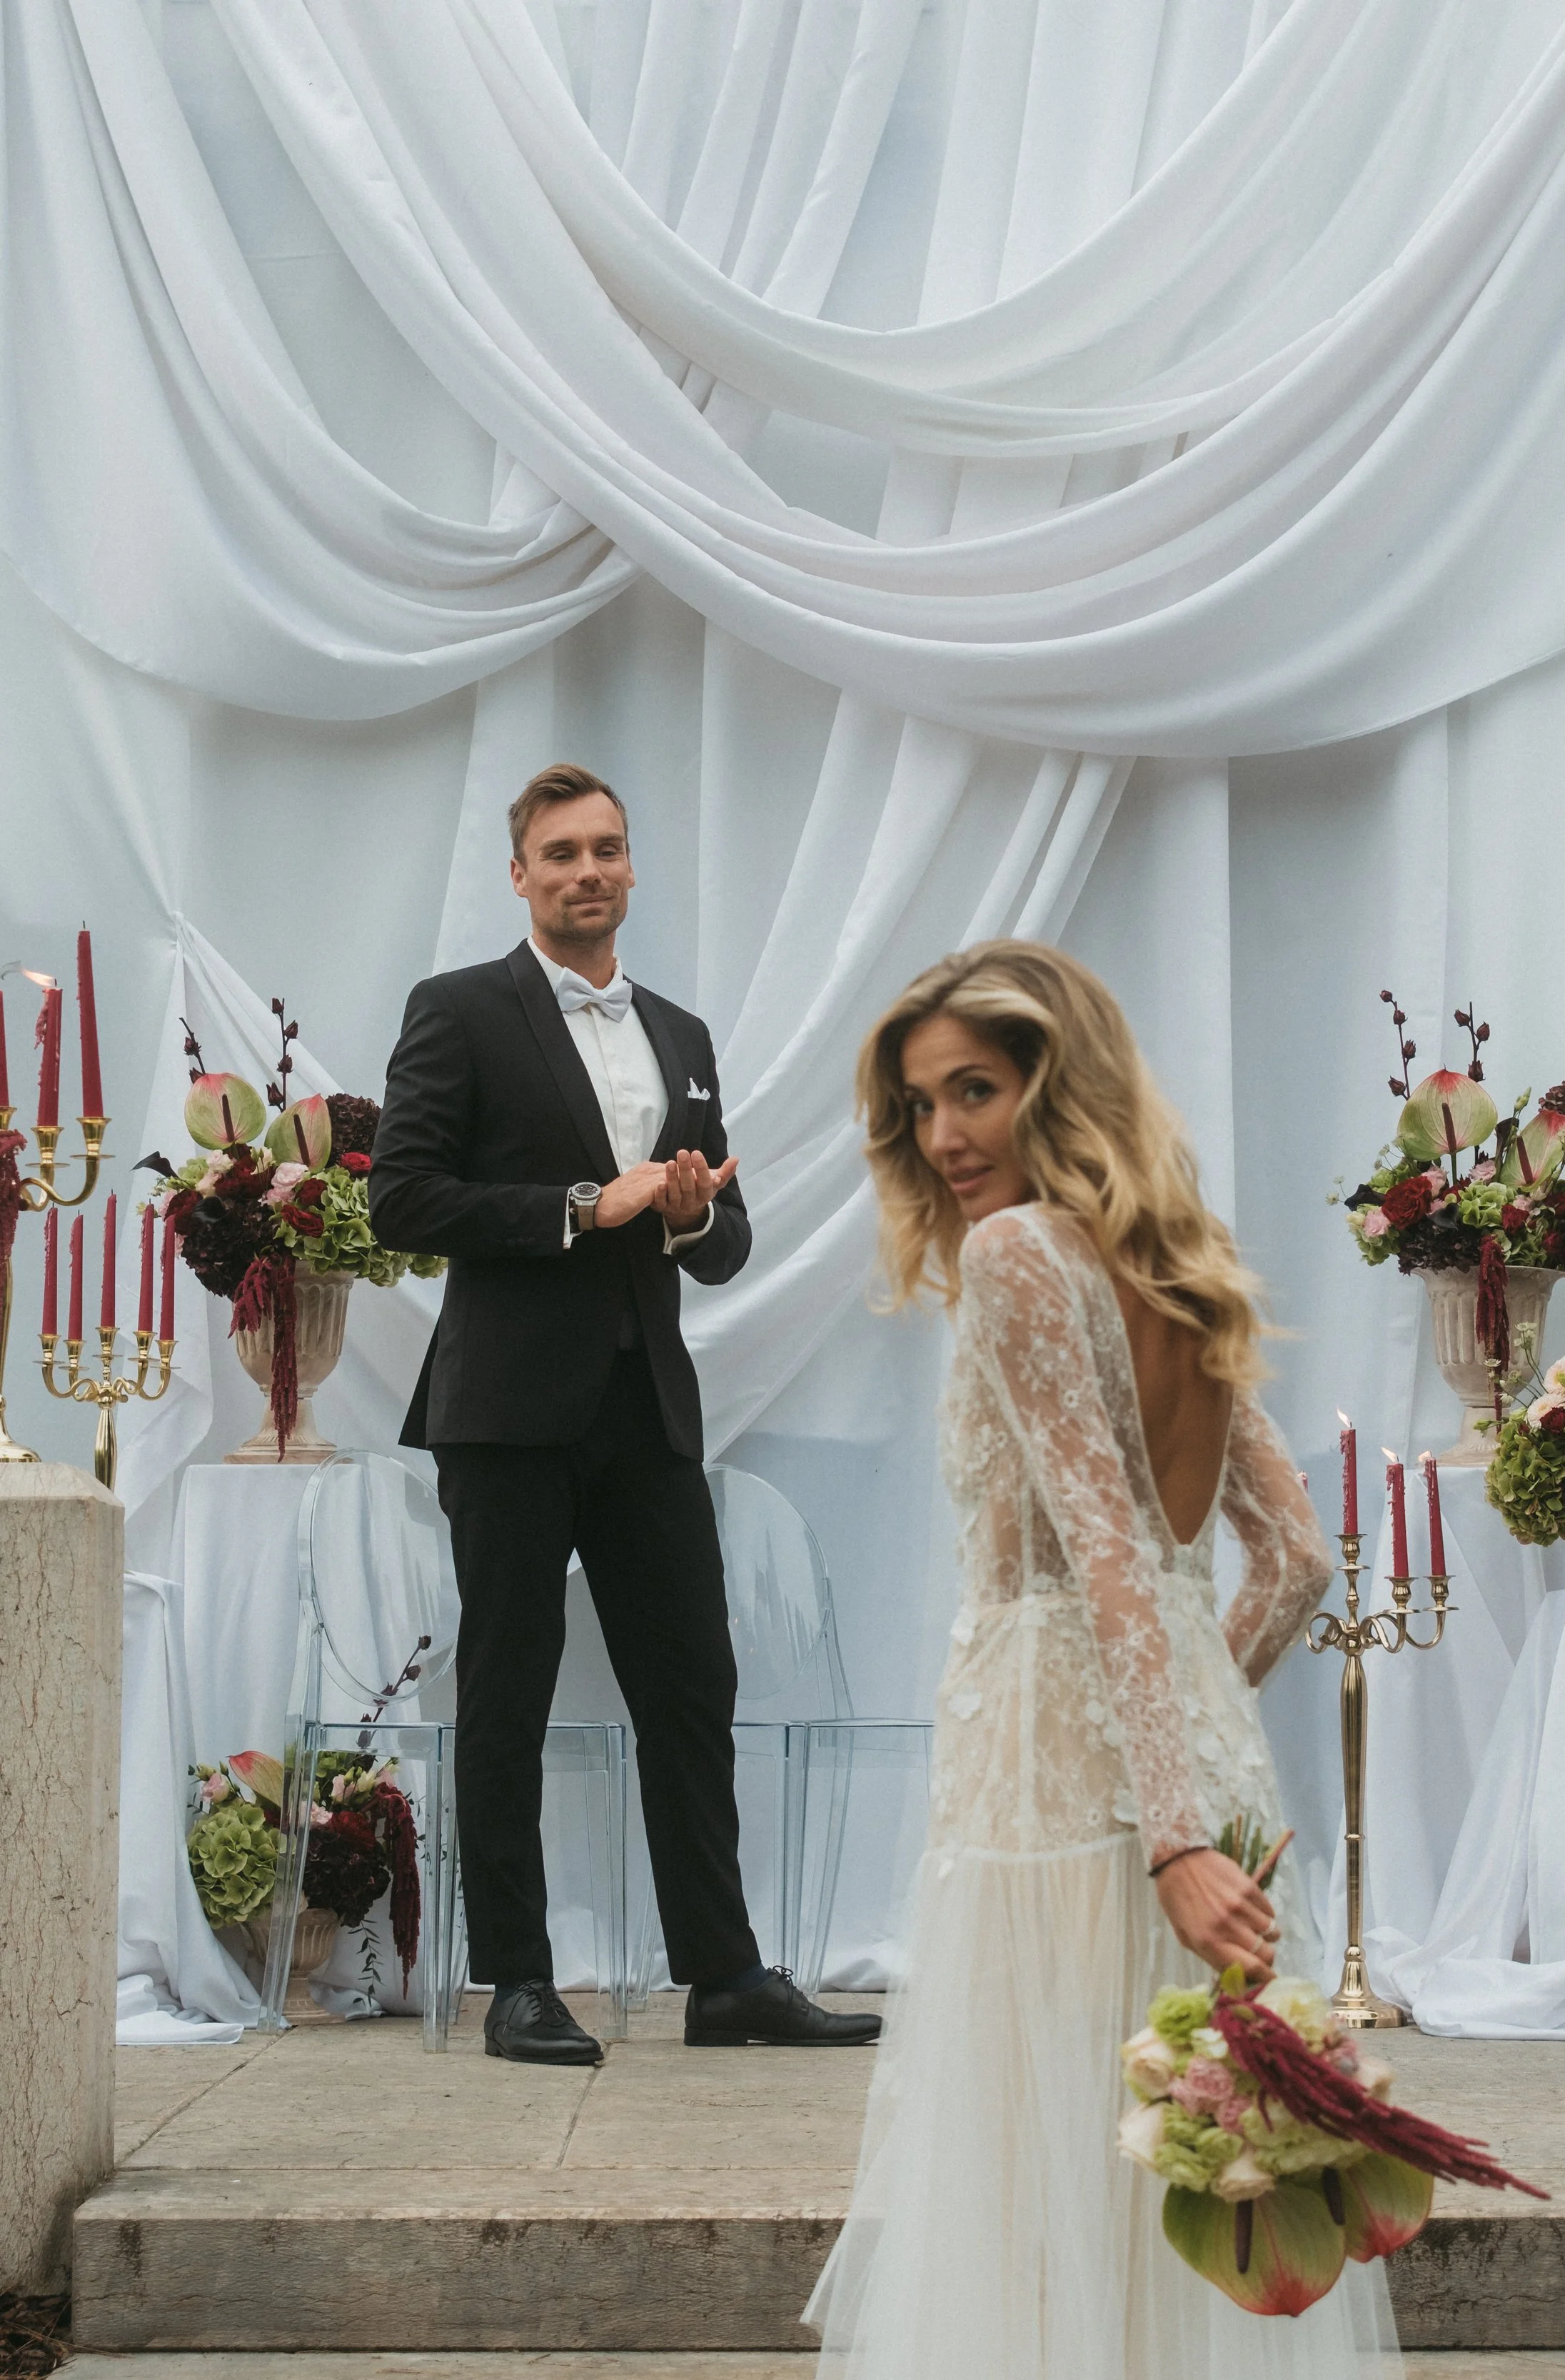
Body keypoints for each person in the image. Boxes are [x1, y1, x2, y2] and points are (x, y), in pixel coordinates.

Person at [805, 942, 1399, 2376]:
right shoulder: (1159, 1265)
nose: (944, 1136)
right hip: (1193, 1782)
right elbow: (1295, 1563)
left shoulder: (1017, 1258)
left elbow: (1105, 1553)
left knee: (1042, 2182)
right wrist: (1189, 1756)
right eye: (921, 1104)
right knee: (1167, 2188)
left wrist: (1162, 1830)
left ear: (1053, 1084)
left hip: (1058, 1802)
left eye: (977, 1091)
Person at [370, 763, 880, 2064]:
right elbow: (402, 1202)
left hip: (645, 1408)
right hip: (507, 1414)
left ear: (632, 867)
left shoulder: (684, 1033)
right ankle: (519, 1983)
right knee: (508, 1692)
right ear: (521, 875)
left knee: (691, 1686)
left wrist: (693, 1209)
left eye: (607, 850)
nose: (587, 872)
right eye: (561, 854)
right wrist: (572, 1208)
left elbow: (720, 1247)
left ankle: (723, 1978)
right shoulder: (459, 1011)